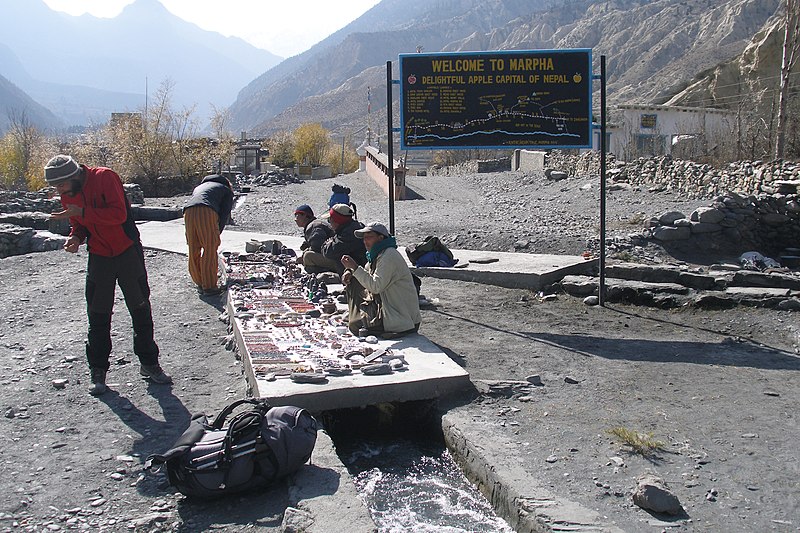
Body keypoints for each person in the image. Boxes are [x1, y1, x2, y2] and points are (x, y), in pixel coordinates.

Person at [46, 155, 172, 396]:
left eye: (60, 185)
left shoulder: (105, 177)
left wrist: (82, 211)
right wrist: (75, 237)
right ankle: (98, 371)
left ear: (73, 176)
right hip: (99, 256)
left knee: (140, 309)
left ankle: (149, 364)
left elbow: (118, 215)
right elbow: (79, 223)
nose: (59, 190)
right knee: (98, 314)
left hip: (126, 251)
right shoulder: (68, 193)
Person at [341, 222, 421, 338]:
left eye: (369, 237)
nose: (365, 241)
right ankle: (360, 315)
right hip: (387, 306)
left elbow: (376, 286)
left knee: (355, 326)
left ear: (380, 238)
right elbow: (365, 272)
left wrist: (354, 267)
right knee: (353, 281)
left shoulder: (389, 255)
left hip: (402, 319)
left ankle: (363, 320)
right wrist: (350, 271)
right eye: (364, 238)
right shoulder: (377, 254)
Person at [183, 174, 234, 296]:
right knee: (210, 248)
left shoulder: (200, 187)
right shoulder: (225, 190)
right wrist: (217, 232)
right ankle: (210, 286)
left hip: (188, 212)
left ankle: (199, 281)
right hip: (206, 211)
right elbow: (224, 214)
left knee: (193, 247)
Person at [321, 203, 366, 276]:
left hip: (359, 271)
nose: (329, 223)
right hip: (360, 267)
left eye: (329, 220)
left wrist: (329, 242)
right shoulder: (352, 226)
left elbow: (328, 252)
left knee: (309, 256)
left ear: (336, 221)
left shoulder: (349, 234)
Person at [293, 204, 336, 274]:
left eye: (297, 216)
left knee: (308, 256)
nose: (295, 219)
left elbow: (317, 247)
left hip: (336, 260)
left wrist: (303, 256)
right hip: (334, 256)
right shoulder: (314, 224)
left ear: (304, 215)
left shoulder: (314, 226)